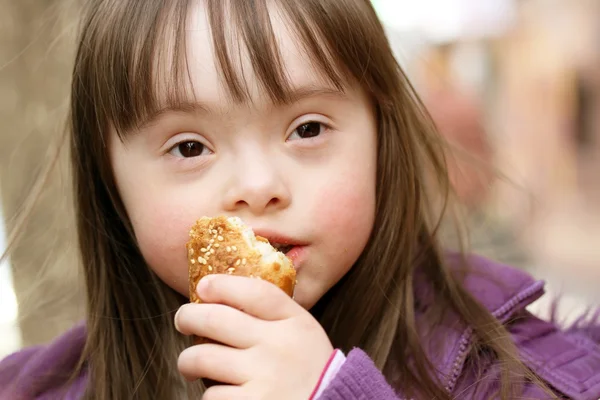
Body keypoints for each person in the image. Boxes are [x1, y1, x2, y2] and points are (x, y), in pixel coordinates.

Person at [1, 1, 600, 399]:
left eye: (307, 129)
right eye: (189, 146)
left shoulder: (512, 372)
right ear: (111, 185)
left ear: (380, 140)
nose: (259, 186)